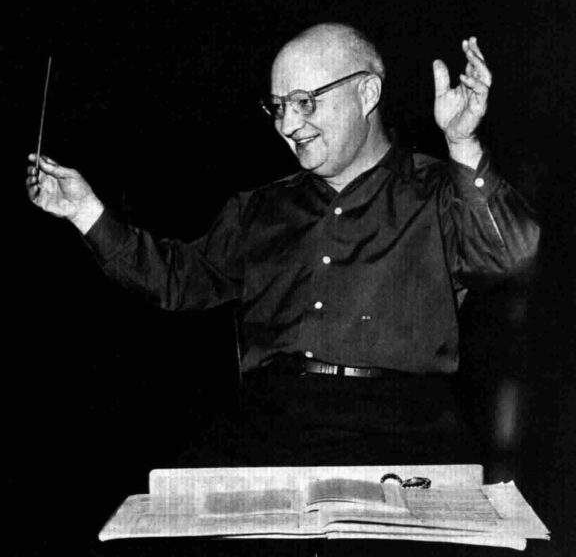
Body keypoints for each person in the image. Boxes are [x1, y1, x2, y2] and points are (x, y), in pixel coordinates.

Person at [26, 23, 539, 468]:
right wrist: (84, 210)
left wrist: (463, 144)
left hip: (403, 430)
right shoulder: (257, 209)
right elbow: (177, 281)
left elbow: (511, 254)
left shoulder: (440, 191)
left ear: (367, 94)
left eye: (305, 102)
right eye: (278, 108)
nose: (289, 126)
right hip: (270, 428)